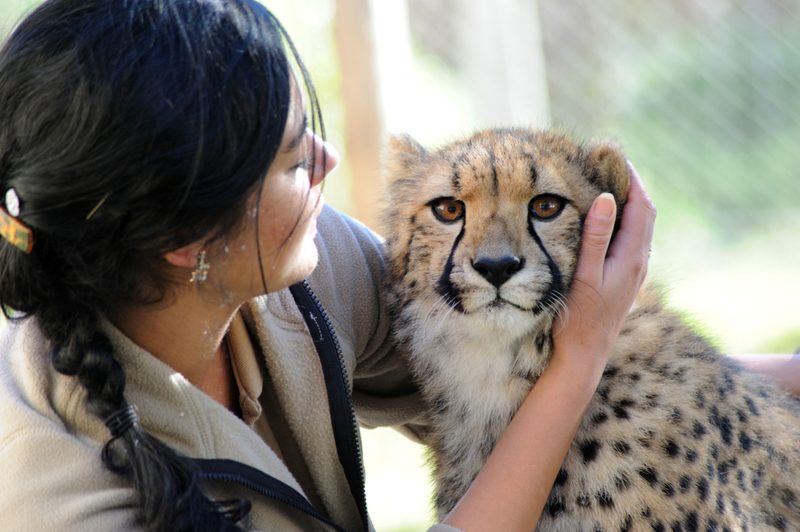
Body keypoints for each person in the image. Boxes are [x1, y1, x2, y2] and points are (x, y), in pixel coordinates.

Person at [0, 0, 656, 531]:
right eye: (291, 160)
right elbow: (567, 382)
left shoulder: (299, 268)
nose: (329, 159)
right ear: (184, 234)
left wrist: (607, 345)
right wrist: (578, 361)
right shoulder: (58, 494)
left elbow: (538, 401)